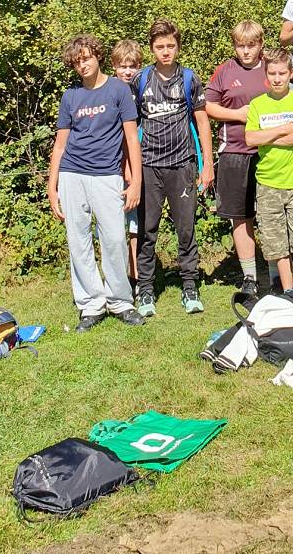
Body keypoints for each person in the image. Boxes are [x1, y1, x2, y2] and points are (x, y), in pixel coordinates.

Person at [47, 34, 146, 331]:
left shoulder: (119, 90)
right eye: (77, 62)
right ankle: (91, 305)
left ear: (98, 56)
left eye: (87, 58)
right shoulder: (70, 96)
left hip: (107, 175)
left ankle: (121, 301)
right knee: (78, 242)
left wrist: (136, 182)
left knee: (114, 239)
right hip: (72, 174)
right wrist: (52, 187)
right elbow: (60, 145)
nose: (83, 65)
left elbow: (132, 139)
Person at [135, 19, 214, 317]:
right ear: (152, 49)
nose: (165, 51)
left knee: (186, 228)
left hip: (182, 164)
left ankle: (190, 286)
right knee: (147, 229)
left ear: (178, 47)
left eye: (170, 46)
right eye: (160, 47)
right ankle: (145, 289)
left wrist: (207, 165)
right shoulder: (141, 80)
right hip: (148, 165)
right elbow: (130, 127)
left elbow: (203, 123)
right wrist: (130, 170)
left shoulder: (189, 79)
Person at [205, 21, 268, 297]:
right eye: (240, 46)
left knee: (272, 215)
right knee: (241, 217)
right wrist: (237, 115)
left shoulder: (271, 67)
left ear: (261, 44)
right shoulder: (225, 70)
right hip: (234, 151)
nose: (246, 51)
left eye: (251, 45)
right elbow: (207, 106)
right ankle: (250, 277)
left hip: (270, 153)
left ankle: (277, 275)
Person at [245, 48, 293, 294]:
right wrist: (283, 129)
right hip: (267, 183)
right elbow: (251, 139)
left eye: (282, 73)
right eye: (272, 73)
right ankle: (288, 292)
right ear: (266, 75)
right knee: (277, 245)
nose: (277, 78)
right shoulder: (257, 104)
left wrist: (267, 137)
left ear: (290, 73)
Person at [111, 38, 145, 285]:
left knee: (135, 223)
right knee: (113, 226)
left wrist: (134, 168)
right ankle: (116, 277)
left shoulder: (142, 91)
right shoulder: (108, 91)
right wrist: (125, 166)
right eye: (122, 66)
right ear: (114, 66)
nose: (127, 71)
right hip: (112, 165)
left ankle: (136, 275)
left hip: (138, 162)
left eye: (132, 66)